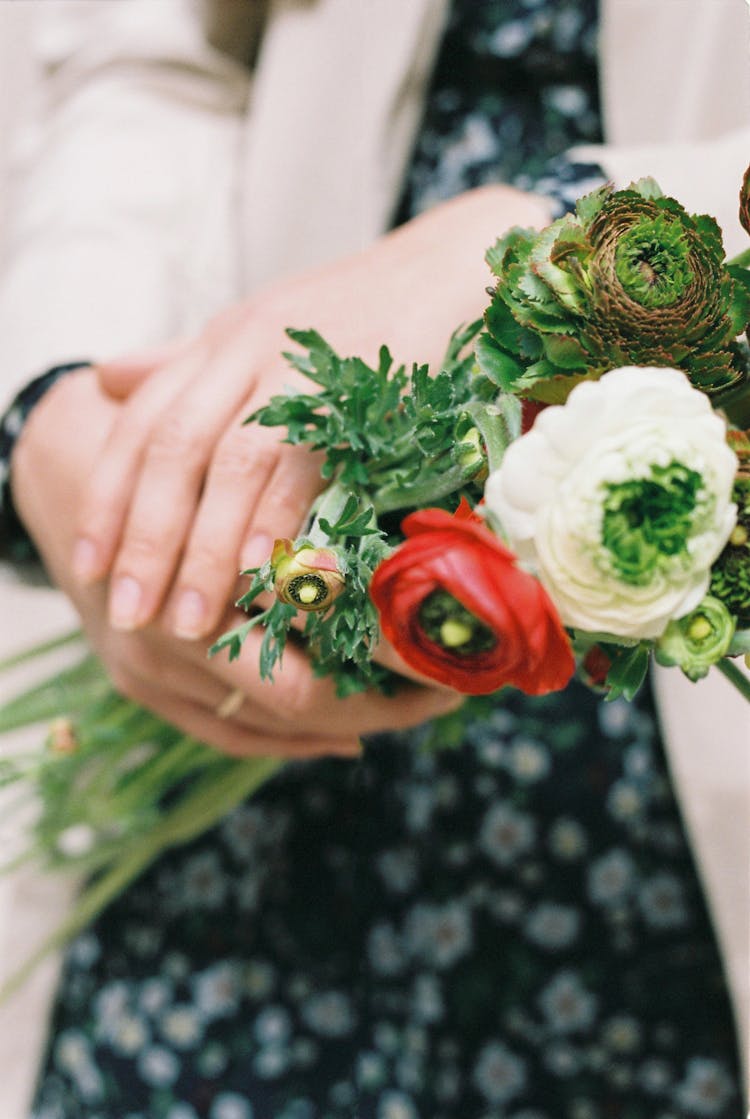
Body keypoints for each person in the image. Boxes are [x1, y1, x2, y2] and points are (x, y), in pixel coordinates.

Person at [1, 1, 748, 1117]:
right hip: (255, 679)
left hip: (652, 731)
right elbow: (160, 58)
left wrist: (545, 234)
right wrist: (62, 407)